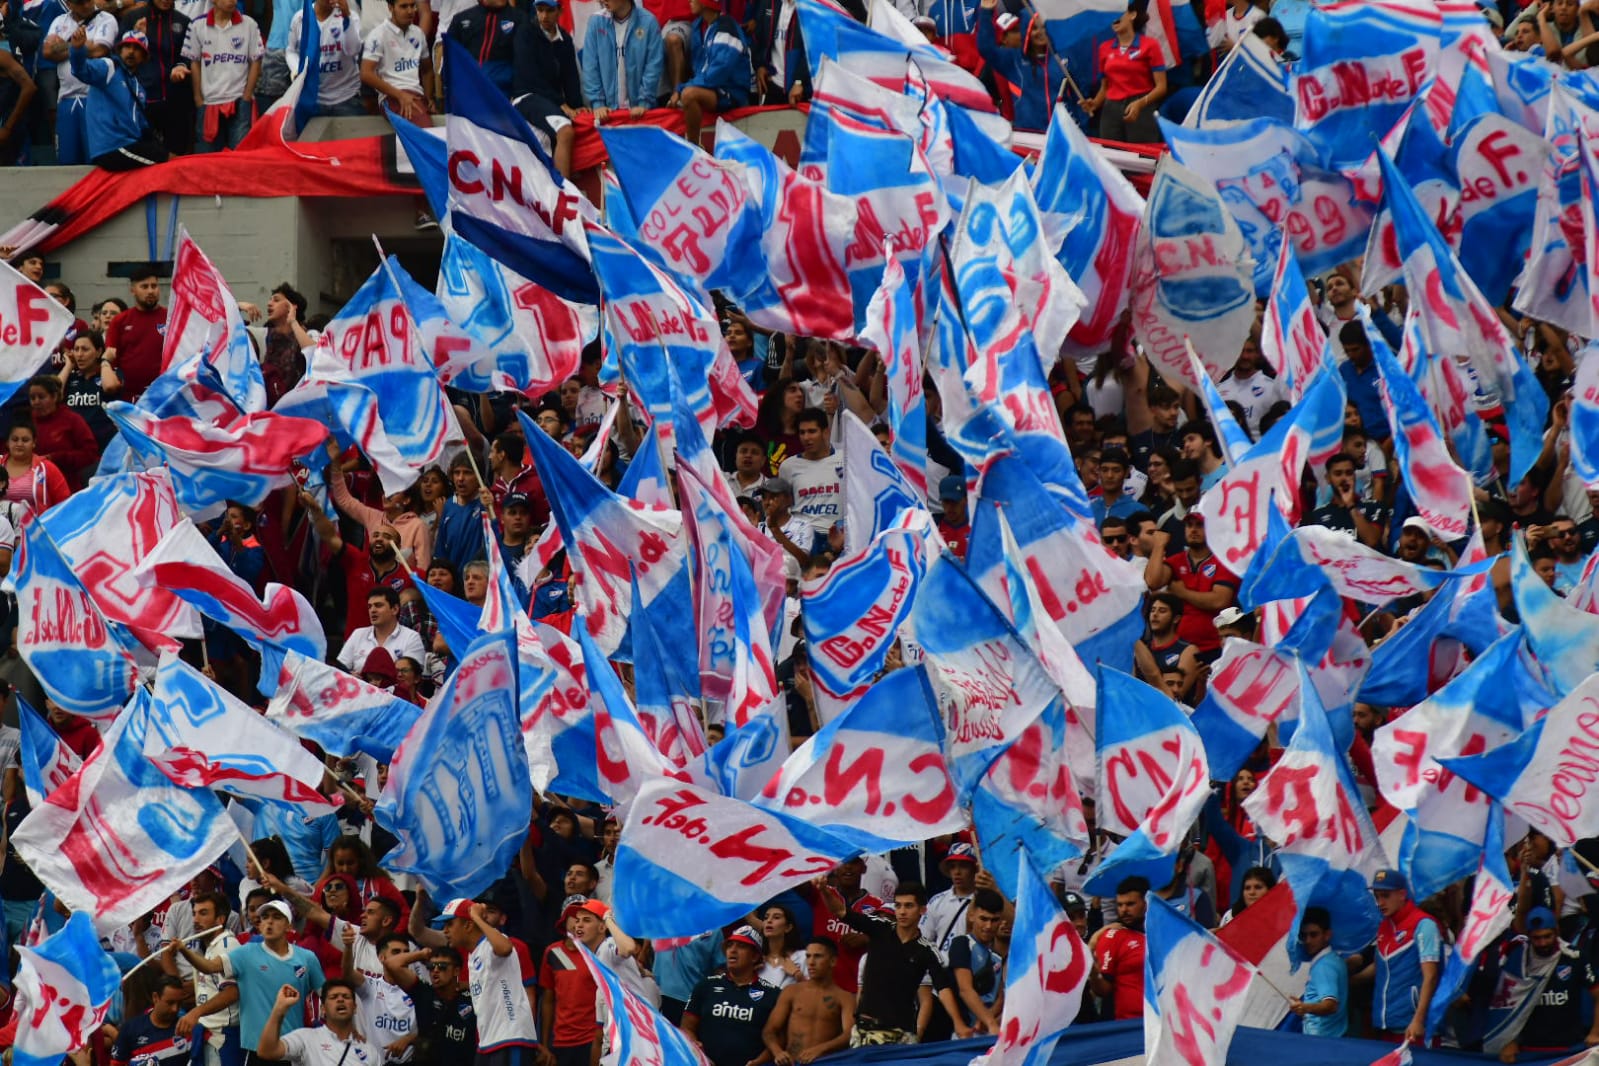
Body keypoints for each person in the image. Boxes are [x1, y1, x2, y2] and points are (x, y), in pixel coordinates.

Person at [177, 900, 328, 1059]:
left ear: (288, 926)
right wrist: (183, 950)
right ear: (260, 924)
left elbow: (326, 995)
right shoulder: (245, 953)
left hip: (292, 1047)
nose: (269, 922)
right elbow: (209, 967)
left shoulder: (306, 958)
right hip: (255, 1049)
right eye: (265, 917)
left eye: (277, 917)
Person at [816, 878, 956, 1045]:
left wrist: (959, 1023)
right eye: (898, 905)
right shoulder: (879, 928)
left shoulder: (927, 950)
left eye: (908, 906)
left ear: (922, 909)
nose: (902, 912)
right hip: (864, 1032)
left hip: (901, 1035)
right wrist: (824, 890)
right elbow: (841, 912)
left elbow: (943, 988)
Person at [1481, 906, 1599, 1059]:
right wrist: (1508, 1041)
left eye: (1547, 936)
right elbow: (1503, 1006)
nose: (1543, 943)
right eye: (1536, 938)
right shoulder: (1517, 960)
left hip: (1569, 1049)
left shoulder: (1574, 957)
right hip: (1529, 1051)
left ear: (1556, 932)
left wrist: (1595, 1032)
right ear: (1529, 935)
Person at [540, 896, 641, 1066]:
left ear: (602, 927)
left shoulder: (607, 946)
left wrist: (608, 919)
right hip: (622, 1040)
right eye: (577, 920)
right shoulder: (596, 957)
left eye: (586, 920)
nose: (578, 925)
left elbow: (629, 948)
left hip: (636, 1039)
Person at [70, 27, 170, 168]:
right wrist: (77, 50)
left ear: (144, 57)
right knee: (167, 161)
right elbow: (81, 70)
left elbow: (142, 126)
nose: (131, 51)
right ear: (120, 50)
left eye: (137, 49)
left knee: (165, 155)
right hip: (112, 147)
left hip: (130, 145)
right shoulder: (109, 67)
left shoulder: (139, 89)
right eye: (127, 46)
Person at [681, 925, 782, 1066]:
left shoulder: (773, 994)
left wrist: (759, 1062)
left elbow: (780, 1038)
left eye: (741, 946)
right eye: (730, 945)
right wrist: (698, 1052)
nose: (733, 950)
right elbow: (686, 1027)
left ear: (755, 956)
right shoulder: (705, 986)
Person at [1361, 868, 1440, 1044]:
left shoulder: (1424, 925)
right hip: (1386, 1025)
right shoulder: (1384, 926)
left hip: (1414, 1029)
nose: (1380, 902)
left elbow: (1431, 976)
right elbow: (1379, 967)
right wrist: (1348, 980)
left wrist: (1418, 1020)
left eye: (1385, 896)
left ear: (1402, 894)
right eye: (1377, 897)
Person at [1143, 515, 1238, 662]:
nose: (1193, 530)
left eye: (1199, 525)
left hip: (1215, 647)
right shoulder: (1177, 560)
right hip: (1179, 648)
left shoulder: (1224, 561)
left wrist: (1183, 593)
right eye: (1189, 525)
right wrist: (1159, 546)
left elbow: (1219, 600)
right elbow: (1152, 581)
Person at [165, 891, 243, 1066]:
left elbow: (232, 992)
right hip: (209, 1034)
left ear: (220, 919)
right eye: (194, 913)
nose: (195, 920)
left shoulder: (227, 945)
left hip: (224, 1037)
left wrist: (196, 1012)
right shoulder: (211, 947)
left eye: (203, 913)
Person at [41, 0, 118, 164]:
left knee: (95, 158)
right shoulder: (59, 21)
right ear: (69, 4)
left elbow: (98, 50)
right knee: (66, 160)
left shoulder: (106, 19)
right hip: (66, 99)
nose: (86, 5)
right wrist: (80, 46)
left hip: (94, 99)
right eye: (80, 3)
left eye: (88, 1)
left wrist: (63, 46)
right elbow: (47, 52)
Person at [975, 0, 1066, 134]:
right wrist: (986, 12)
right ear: (1026, 30)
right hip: (1028, 134)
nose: (1040, 32)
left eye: (1044, 27)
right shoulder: (1014, 60)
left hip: (1060, 134)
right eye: (1034, 28)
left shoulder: (1062, 60)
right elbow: (986, 48)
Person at [183, 0, 262, 152]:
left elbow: (256, 62)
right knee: (207, 157)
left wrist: (247, 96)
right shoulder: (197, 25)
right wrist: (198, 99)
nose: (232, 1)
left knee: (240, 156)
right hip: (209, 102)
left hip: (239, 101)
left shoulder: (249, 24)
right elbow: (194, 63)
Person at [761, 939, 855, 1066]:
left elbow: (850, 1034)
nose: (811, 962)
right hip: (791, 1062)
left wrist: (821, 1049)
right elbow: (769, 1030)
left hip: (824, 1062)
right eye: (808, 956)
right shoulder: (791, 991)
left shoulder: (845, 998)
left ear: (833, 961)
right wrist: (778, 1052)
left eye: (818, 956)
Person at [1084, 0, 1166, 143]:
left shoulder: (1150, 45)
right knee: (1110, 153)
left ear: (1132, 15)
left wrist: (1140, 103)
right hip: (1111, 110)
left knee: (1141, 154)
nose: (1114, 17)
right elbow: (1105, 87)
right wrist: (1095, 103)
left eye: (1118, 11)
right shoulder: (1104, 48)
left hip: (1141, 108)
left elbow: (1161, 87)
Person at [669, 0, 749, 146]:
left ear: (706, 3)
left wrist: (682, 89)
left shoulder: (727, 28)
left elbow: (717, 74)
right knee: (683, 95)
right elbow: (700, 68)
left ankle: (694, 147)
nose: (690, 2)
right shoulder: (699, 26)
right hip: (713, 88)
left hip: (732, 91)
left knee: (689, 95)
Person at [257, 981, 384, 1066]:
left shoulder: (369, 1050)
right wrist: (279, 1009)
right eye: (333, 997)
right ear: (323, 1009)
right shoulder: (305, 1038)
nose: (340, 999)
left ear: (355, 1007)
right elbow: (267, 1051)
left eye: (346, 997)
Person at [341, 929, 420, 1063]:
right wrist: (348, 947)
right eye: (396, 952)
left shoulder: (420, 990)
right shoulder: (371, 986)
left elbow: (433, 1032)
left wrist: (409, 1039)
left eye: (406, 952)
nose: (402, 957)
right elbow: (348, 973)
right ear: (381, 958)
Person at [778, 407, 842, 553]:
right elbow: (783, 508)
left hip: (838, 535)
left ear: (826, 432)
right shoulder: (788, 466)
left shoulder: (846, 458)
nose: (806, 437)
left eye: (812, 431)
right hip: (803, 537)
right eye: (802, 432)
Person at [285, 0, 362, 116]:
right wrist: (297, 70)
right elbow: (291, 51)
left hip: (346, 97)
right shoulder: (300, 18)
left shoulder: (351, 16)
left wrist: (347, 18)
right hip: (313, 99)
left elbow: (353, 50)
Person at [361, 0, 431, 125]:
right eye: (404, 6)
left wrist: (428, 98)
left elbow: (427, 70)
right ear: (390, 7)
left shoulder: (418, 33)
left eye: (413, 6)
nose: (410, 11)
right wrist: (400, 95)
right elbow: (366, 74)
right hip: (391, 97)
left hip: (416, 95)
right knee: (424, 129)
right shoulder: (378, 35)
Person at [104, 264, 167, 403]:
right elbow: (111, 359)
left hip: (164, 396)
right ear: (133, 290)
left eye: (154, 286)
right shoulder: (120, 321)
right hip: (129, 399)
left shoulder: (171, 318)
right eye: (144, 287)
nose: (150, 291)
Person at [946, 888, 1005, 1034]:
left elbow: (1000, 999)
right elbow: (965, 990)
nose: (988, 926)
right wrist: (990, 1022)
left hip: (988, 1033)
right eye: (983, 919)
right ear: (972, 916)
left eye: (994, 920)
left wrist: (987, 1021)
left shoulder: (997, 957)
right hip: (963, 1034)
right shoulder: (962, 944)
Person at [1090, 877, 1147, 1021]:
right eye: (1120, 905)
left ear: (1145, 903)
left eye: (1130, 904)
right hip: (1126, 1024)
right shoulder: (1112, 936)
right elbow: (1103, 990)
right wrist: (1093, 973)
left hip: (1160, 1021)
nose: (1124, 910)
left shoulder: (1159, 933)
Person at [27, 374, 99, 489]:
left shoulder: (72, 420)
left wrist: (56, 458)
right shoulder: (27, 422)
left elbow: (90, 454)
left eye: (41, 397)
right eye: (32, 398)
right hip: (32, 487)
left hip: (68, 486)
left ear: (54, 397)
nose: (36, 402)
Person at [337, 588, 426, 672]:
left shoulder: (411, 637)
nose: (372, 610)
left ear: (395, 609)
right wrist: (351, 676)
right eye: (369, 606)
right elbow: (338, 670)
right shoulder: (358, 634)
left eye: (378, 605)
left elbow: (410, 676)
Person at [58, 328, 120, 449]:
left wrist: (105, 361)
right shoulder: (70, 377)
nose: (79, 354)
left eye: (85, 349)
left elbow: (110, 386)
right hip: (73, 445)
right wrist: (68, 366)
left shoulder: (110, 373)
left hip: (103, 445)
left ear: (98, 352)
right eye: (76, 349)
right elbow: (52, 395)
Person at [1310, 452, 1388, 549]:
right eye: (1338, 474)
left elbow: (1371, 541)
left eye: (1349, 473)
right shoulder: (1317, 515)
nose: (1344, 478)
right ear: (1328, 478)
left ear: (1355, 477)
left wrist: (1351, 505)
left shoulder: (1374, 507)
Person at [1290, 906, 1347, 1038]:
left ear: (1327, 935)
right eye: (1303, 936)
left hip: (1321, 1038)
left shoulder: (1324, 966)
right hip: (1333, 1035)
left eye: (1314, 935)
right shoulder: (1333, 960)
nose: (1308, 941)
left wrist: (1305, 1007)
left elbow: (1330, 1005)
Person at [448, 0, 525, 97]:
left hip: (502, 91)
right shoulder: (461, 19)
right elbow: (450, 59)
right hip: (466, 88)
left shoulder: (520, 19)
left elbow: (524, 63)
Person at [111, 976, 191, 1066]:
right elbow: (116, 1064)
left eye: (179, 1003)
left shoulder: (186, 1028)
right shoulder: (131, 1029)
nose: (175, 1009)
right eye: (170, 1003)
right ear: (155, 997)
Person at [921, 842, 979, 959]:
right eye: (952, 867)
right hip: (942, 966)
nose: (957, 872)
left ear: (974, 869)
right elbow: (924, 939)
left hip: (974, 965)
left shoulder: (983, 900)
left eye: (963, 866)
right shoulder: (936, 901)